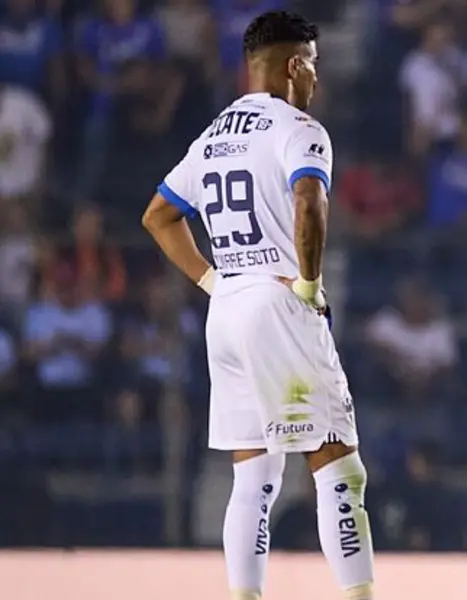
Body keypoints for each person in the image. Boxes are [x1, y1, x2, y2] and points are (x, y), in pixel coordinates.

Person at [140, 11, 374, 600]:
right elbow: (308, 202)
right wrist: (311, 285)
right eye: (314, 66)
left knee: (254, 476)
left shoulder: (214, 132)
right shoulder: (301, 129)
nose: (316, 80)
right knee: (339, 470)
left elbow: (159, 216)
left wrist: (210, 282)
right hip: (279, 297)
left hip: (229, 308)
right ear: (296, 65)